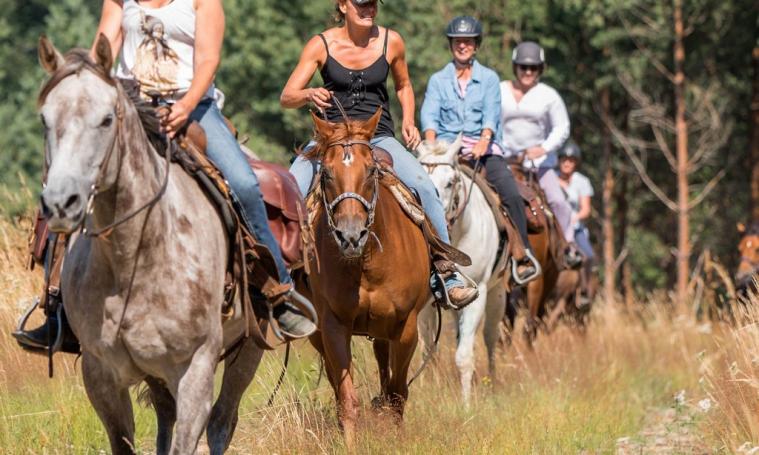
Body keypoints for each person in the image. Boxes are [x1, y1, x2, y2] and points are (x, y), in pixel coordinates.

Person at [14, 0, 316, 351]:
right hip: (128, 105)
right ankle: (57, 308)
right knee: (69, 178)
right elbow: (103, 50)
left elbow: (207, 60)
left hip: (193, 108)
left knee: (246, 184)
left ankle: (276, 291)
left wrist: (185, 105)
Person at [281, 0, 478, 308]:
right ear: (343, 5)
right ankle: (281, 278)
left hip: (379, 137)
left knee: (424, 186)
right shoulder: (321, 44)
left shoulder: (392, 41)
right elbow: (287, 95)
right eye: (361, 4)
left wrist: (409, 119)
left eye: (373, 4)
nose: (368, 9)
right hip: (331, 139)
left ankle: (446, 272)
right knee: (290, 185)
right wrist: (308, 93)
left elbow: (404, 85)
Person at [420, 16, 540, 284]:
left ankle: (522, 256)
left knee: (509, 190)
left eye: (468, 41)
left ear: (476, 45)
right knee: (416, 191)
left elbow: (491, 115)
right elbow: (429, 117)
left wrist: (485, 138)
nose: (463, 46)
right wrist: (431, 147)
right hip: (444, 153)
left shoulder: (489, 78)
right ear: (451, 45)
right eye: (458, 41)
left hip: (482, 151)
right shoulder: (438, 80)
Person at [499, 41, 582, 268]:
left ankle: (568, 247)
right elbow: (490, 121)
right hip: (504, 160)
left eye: (533, 68)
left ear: (540, 69)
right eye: (523, 67)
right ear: (515, 67)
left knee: (558, 202)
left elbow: (562, 128)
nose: (528, 72)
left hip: (539, 164)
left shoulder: (549, 95)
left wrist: (543, 148)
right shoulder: (499, 90)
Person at [557, 141, 594, 262]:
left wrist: (574, 218)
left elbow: (586, 209)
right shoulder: (550, 178)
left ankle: (590, 279)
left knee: (589, 256)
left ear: (576, 163)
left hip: (575, 228)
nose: (567, 163)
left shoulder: (582, 181)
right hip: (554, 225)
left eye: (571, 160)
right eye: (564, 160)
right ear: (559, 161)